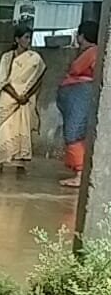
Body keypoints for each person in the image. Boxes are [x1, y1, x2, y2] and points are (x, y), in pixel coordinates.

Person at [0, 24, 46, 176]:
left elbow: (39, 79)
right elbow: (3, 81)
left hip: (25, 100)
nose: (28, 41)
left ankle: (20, 166)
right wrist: (17, 97)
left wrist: (26, 96)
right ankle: (0, 166)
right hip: (9, 100)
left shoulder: (35, 58)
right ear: (17, 39)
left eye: (30, 37)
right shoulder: (7, 57)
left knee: (22, 131)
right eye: (25, 37)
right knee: (4, 131)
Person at [57, 20, 98, 188]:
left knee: (74, 133)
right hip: (76, 96)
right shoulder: (90, 51)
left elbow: (89, 72)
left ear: (82, 36)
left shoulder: (93, 52)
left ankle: (80, 174)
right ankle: (78, 171)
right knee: (74, 132)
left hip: (81, 96)